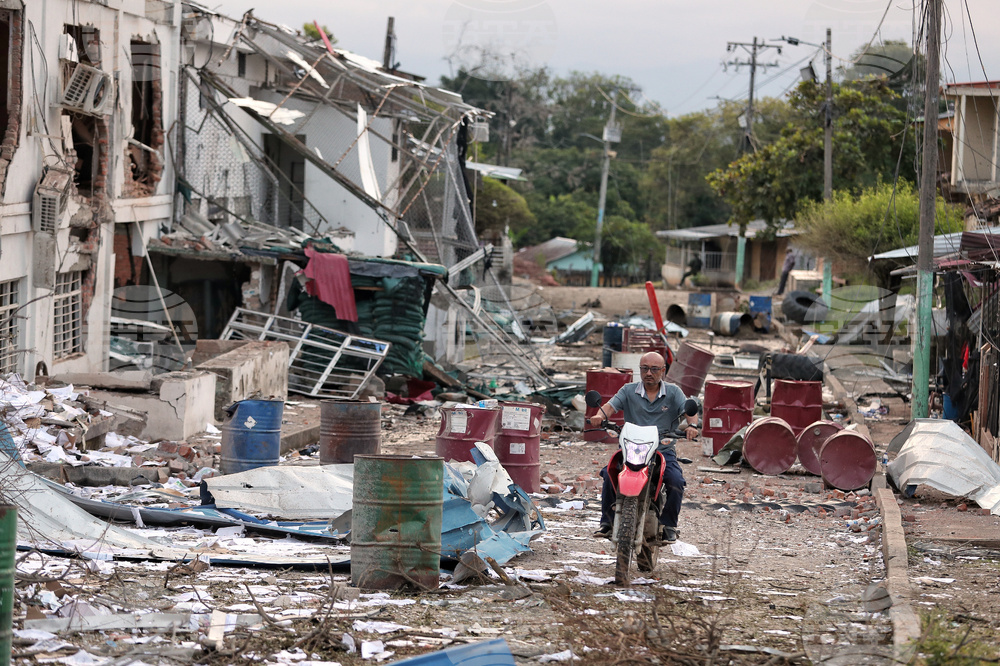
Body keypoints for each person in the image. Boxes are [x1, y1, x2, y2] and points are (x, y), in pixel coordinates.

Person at [588, 351, 698, 544]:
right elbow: (610, 406)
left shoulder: (673, 392)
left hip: (662, 450)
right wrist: (599, 416)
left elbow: (689, 412)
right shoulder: (628, 390)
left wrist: (692, 426)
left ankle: (669, 525)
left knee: (676, 481)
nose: (649, 373)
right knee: (609, 473)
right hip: (632, 448)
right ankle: (607, 522)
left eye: (654, 369)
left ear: (663, 371)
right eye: (645, 369)